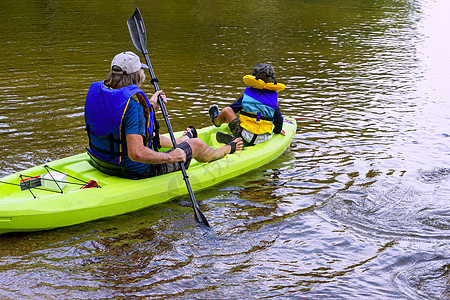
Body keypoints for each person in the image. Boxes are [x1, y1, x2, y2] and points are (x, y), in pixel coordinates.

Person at [84, 51, 243, 179]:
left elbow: (119, 123)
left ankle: (181, 140)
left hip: (101, 161)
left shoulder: (100, 95)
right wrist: (172, 157)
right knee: (196, 144)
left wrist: (151, 107)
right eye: (141, 71)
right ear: (136, 76)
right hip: (132, 170)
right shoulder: (133, 108)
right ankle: (226, 149)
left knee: (149, 134)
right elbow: (136, 153)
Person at [208, 63, 286, 146]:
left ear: (254, 78)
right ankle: (238, 138)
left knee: (227, 110)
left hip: (244, 136)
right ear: (271, 81)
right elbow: (279, 120)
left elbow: (232, 109)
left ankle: (216, 121)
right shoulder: (273, 100)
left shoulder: (247, 96)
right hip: (263, 138)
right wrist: (277, 130)